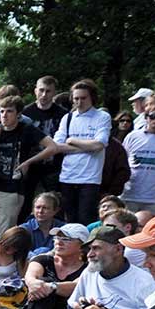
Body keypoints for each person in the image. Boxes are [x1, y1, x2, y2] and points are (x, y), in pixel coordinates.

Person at [0, 95, 59, 241]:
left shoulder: (27, 130)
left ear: (18, 114)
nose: (4, 115)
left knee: (5, 235)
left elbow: (53, 147)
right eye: (2, 111)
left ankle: (2, 262)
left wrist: (28, 162)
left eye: (9, 111)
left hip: (12, 191)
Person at [51, 79, 112, 224]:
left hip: (90, 178)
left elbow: (99, 144)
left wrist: (72, 140)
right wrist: (86, 146)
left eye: (83, 98)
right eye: (76, 98)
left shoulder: (102, 117)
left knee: (86, 219)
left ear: (92, 97)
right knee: (70, 220)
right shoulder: (68, 118)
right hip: (67, 176)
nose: (79, 102)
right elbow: (57, 146)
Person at [119, 103, 155, 215]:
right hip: (130, 192)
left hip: (154, 196)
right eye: (152, 116)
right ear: (146, 117)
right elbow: (121, 162)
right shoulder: (132, 136)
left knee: (149, 229)